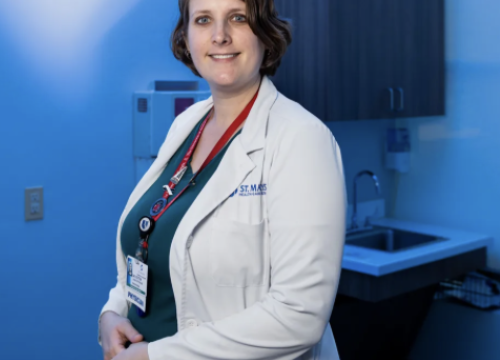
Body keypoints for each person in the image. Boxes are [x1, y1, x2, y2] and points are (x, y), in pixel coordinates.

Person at [98, 0, 346, 359]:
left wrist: (155, 356)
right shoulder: (187, 124)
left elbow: (300, 315)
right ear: (186, 36)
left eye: (238, 17)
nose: (220, 36)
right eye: (203, 20)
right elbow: (152, 241)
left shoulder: (300, 138)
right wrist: (112, 312)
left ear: (265, 32)